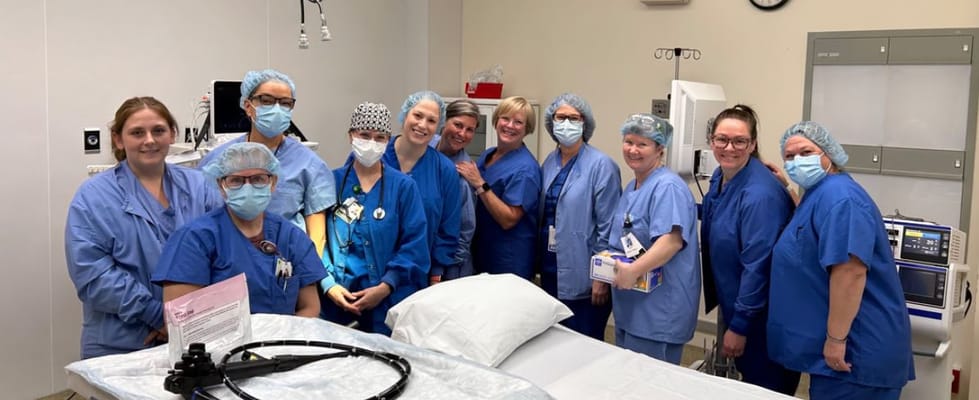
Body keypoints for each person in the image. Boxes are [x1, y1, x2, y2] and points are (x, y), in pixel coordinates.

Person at [65, 96, 224, 359]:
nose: (149, 140)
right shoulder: (93, 197)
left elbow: (223, 253)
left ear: (172, 134)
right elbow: (91, 273)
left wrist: (189, 317)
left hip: (194, 333)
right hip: (121, 341)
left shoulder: (200, 187)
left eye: (158, 131)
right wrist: (156, 315)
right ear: (118, 139)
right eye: (137, 132)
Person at [768, 122, 914, 400]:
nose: (797, 161)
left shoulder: (842, 198)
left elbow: (850, 274)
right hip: (845, 351)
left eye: (806, 152)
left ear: (829, 154)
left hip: (856, 351)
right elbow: (813, 229)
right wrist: (786, 189)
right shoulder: (820, 193)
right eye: (789, 156)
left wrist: (836, 340)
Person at [153, 142, 325, 317]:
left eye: (258, 179)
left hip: (282, 340)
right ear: (221, 186)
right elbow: (181, 320)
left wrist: (279, 340)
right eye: (236, 181)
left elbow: (310, 308)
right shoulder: (194, 239)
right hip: (219, 343)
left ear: (273, 183)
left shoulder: (291, 237)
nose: (248, 187)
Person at [699, 105, 800, 394]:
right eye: (721, 139)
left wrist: (740, 326)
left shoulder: (759, 195)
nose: (729, 147)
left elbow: (758, 265)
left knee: (765, 387)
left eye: (739, 141)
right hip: (738, 304)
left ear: (753, 144)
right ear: (711, 141)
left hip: (762, 320)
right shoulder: (721, 178)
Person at [198, 69, 336, 257]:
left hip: (285, 261)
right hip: (226, 258)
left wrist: (309, 270)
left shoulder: (309, 164)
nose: (277, 108)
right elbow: (200, 218)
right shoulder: (217, 159)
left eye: (285, 103)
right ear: (248, 106)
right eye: (267, 101)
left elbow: (317, 235)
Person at [321, 102, 429, 335]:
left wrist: (385, 285)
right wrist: (330, 285)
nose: (371, 143)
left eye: (380, 137)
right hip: (340, 299)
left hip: (389, 299)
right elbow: (318, 240)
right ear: (351, 135)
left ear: (388, 140)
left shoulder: (403, 187)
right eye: (364, 135)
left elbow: (415, 245)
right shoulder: (331, 183)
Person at [607, 113, 700, 364]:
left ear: (660, 148)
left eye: (642, 144)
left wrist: (633, 270)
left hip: (659, 311)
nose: (633, 150)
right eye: (629, 142)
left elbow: (671, 241)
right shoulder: (634, 186)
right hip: (632, 304)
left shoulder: (667, 187)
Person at [538, 93, 621, 340]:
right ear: (551, 123)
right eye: (561, 117)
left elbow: (609, 227)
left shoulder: (601, 165)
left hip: (585, 271)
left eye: (574, 118)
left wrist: (601, 277)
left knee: (584, 342)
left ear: (585, 124)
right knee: (555, 341)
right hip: (552, 266)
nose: (566, 123)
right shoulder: (550, 162)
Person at [457, 96, 542, 280]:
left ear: (527, 129)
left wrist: (480, 184)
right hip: (482, 251)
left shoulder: (526, 169)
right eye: (505, 118)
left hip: (508, 260)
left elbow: (509, 219)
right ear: (496, 121)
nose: (510, 125)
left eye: (518, 122)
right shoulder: (489, 154)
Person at [383, 91, 461, 285]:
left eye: (431, 121)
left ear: (439, 127)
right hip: (370, 270)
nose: (422, 125)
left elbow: (448, 228)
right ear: (405, 114)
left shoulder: (444, 170)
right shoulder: (375, 158)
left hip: (419, 275)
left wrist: (436, 271)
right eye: (417, 116)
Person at [430, 99, 480, 279]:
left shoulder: (461, 175)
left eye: (470, 130)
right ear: (444, 121)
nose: (462, 134)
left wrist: (445, 270)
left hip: (448, 266)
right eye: (458, 125)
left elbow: (465, 230)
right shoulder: (427, 146)